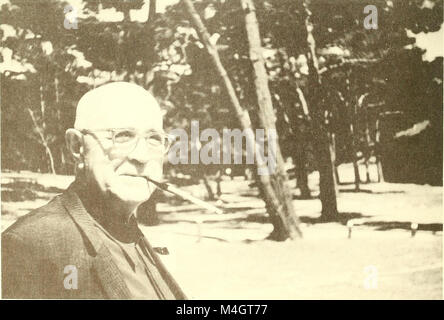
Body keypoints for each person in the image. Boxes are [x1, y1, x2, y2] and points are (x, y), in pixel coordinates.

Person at [1, 82, 186, 299]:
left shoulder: (127, 231)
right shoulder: (32, 243)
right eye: (123, 136)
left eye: (154, 138)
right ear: (77, 146)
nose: (142, 156)